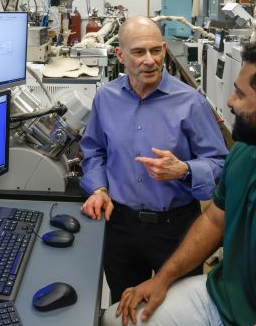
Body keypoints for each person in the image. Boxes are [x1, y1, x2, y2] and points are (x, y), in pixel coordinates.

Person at [103, 37, 256, 326]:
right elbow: (214, 222)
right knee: (115, 319)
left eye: (240, 94)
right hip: (219, 297)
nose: (230, 102)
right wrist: (162, 279)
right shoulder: (248, 152)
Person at [79, 16, 228, 303]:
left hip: (176, 229)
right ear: (120, 56)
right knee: (123, 308)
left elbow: (221, 163)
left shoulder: (190, 102)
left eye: (156, 51)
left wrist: (185, 169)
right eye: (138, 52)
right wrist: (98, 189)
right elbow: (94, 151)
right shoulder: (106, 98)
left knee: (178, 311)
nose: (150, 60)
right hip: (119, 224)